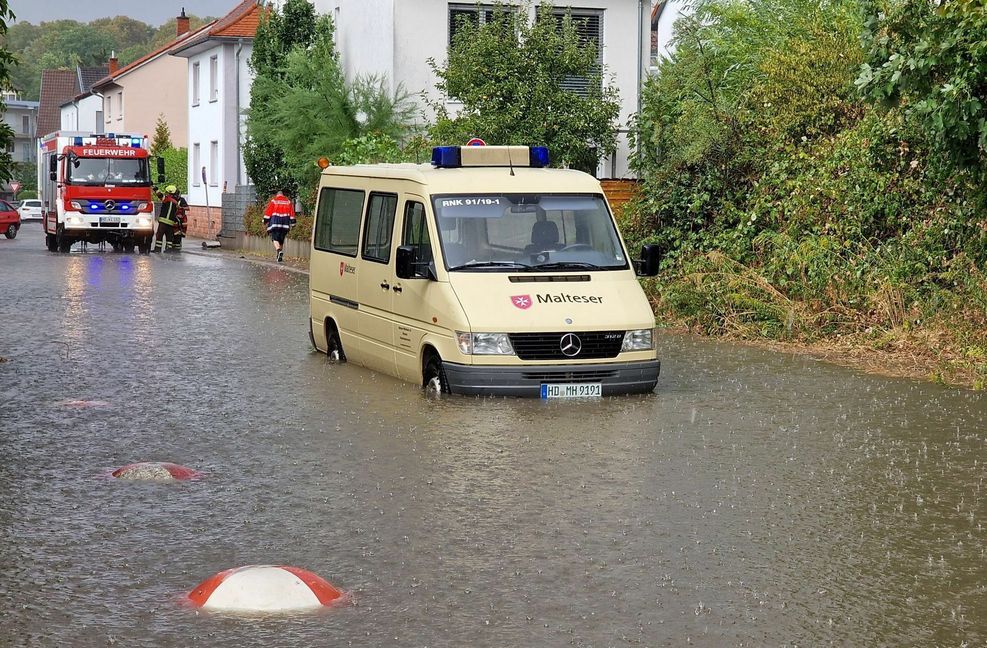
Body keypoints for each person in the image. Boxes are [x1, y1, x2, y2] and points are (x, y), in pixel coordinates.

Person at [263, 190, 296, 263]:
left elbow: (269, 212)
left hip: (275, 223)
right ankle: (279, 256)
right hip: (285, 224)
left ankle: (279, 250)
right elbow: (292, 213)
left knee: (275, 238)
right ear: (283, 195)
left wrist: (265, 221)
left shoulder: (274, 201)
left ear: (277, 195)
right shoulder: (288, 202)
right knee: (281, 240)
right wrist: (293, 223)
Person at [153, 185, 181, 253]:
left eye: (166, 192)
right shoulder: (176, 202)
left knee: (159, 235)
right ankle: (169, 249)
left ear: (169, 192)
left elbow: (159, 195)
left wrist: (155, 189)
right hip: (171, 223)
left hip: (163, 222)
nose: (165, 193)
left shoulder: (166, 199)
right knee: (169, 237)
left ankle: (157, 249)